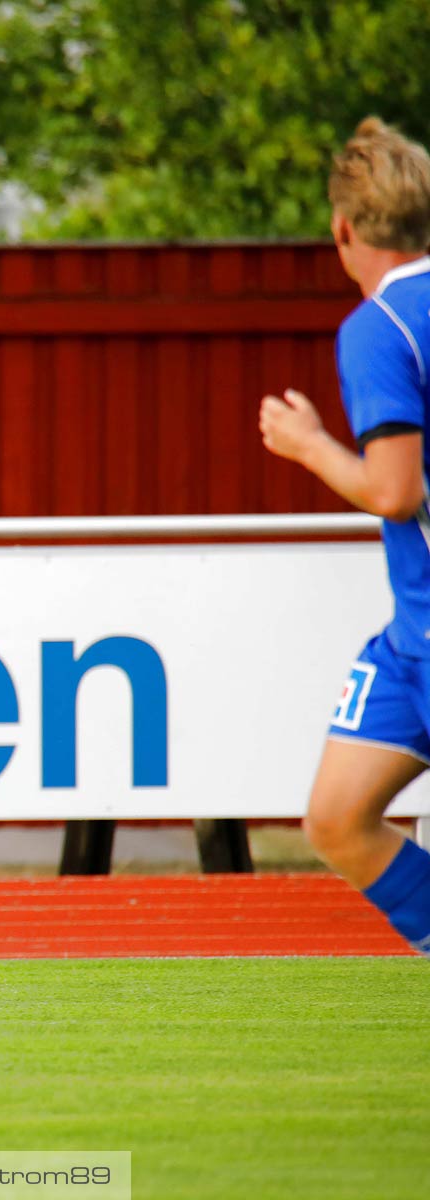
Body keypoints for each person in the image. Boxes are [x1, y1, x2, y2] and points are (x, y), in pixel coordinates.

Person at [259, 116, 430, 958]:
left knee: (340, 821)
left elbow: (395, 490)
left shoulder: (378, 327)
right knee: (336, 814)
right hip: (412, 635)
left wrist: (311, 446)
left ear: (343, 230)